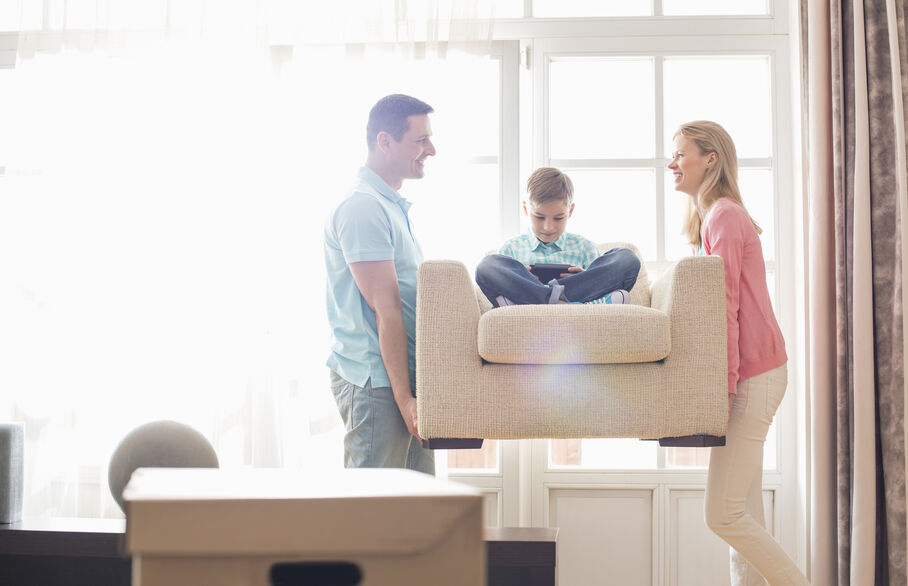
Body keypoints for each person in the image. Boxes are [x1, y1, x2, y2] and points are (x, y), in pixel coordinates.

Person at [668, 120, 809, 585]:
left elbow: (723, 310)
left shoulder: (724, 216)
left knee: (723, 515)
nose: (672, 163)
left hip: (753, 374)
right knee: (743, 513)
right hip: (758, 371)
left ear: (710, 159)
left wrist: (723, 388)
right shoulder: (714, 217)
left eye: (681, 154)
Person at [323, 94, 436, 474]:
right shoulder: (364, 208)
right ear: (385, 141)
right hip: (379, 385)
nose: (431, 150)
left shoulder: (389, 206)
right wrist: (405, 401)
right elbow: (385, 309)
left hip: (401, 382)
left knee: (416, 515)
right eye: (420, 140)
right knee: (369, 520)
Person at [475, 167, 640, 307]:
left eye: (558, 218)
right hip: (556, 303)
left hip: (564, 297)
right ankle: (559, 303)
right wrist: (522, 278)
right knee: (487, 265)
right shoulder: (511, 248)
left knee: (627, 258)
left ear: (570, 211)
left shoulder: (585, 247)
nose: (548, 227)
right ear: (526, 209)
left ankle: (538, 302)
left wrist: (584, 276)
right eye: (539, 217)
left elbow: (598, 282)